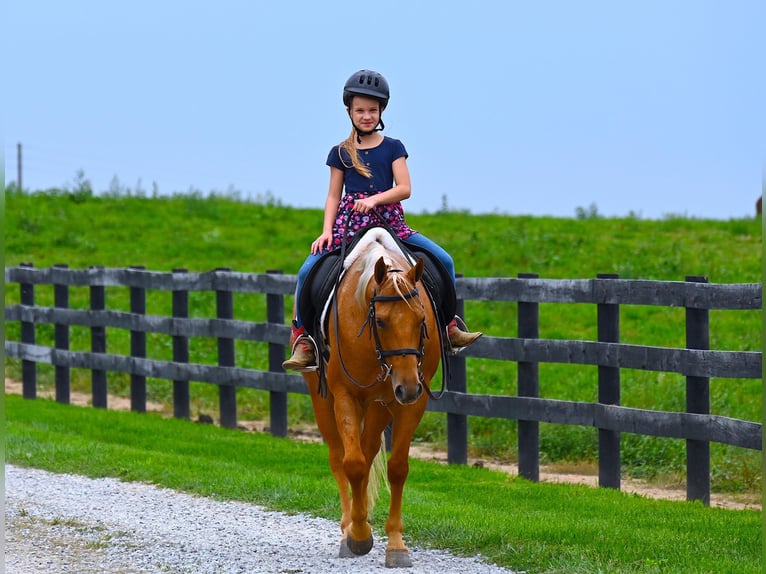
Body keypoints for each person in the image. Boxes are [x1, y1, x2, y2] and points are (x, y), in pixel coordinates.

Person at [283, 69, 481, 371]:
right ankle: (304, 340)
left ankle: (448, 328)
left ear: (381, 111)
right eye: (360, 110)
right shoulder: (340, 152)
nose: (366, 116)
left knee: (445, 259)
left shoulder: (393, 147)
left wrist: (374, 199)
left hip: (390, 223)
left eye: (372, 110)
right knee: (306, 271)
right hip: (350, 226)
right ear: (349, 111)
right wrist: (326, 231)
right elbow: (333, 196)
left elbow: (405, 188)